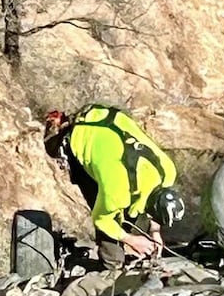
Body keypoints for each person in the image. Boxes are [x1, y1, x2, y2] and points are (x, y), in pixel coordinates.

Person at [43, 105, 184, 268]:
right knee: (109, 212)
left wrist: (155, 232)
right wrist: (130, 239)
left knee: (126, 212)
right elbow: (102, 219)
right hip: (80, 138)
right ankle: (112, 267)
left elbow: (152, 200)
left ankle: (120, 245)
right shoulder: (117, 191)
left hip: (104, 119)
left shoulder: (167, 172)